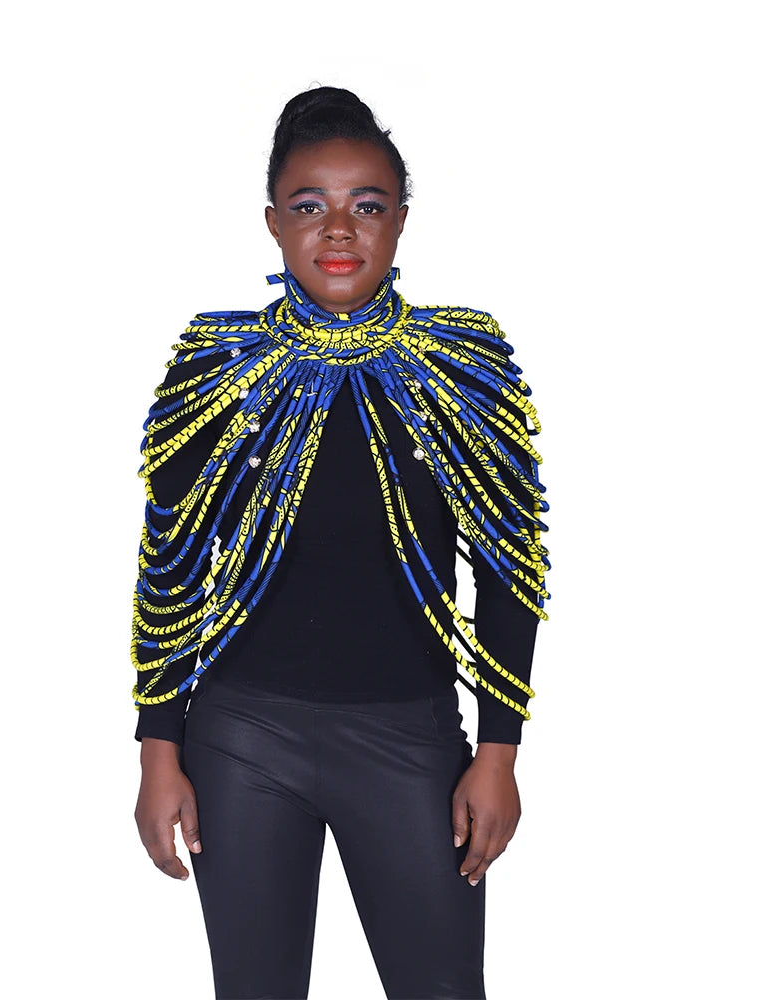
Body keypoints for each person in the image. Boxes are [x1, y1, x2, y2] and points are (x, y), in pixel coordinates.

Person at [131, 86, 550, 1000]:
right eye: (309, 205)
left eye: (366, 205)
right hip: (241, 737)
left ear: (399, 220)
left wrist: (499, 751)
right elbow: (170, 563)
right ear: (274, 223)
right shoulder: (215, 366)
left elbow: (509, 569)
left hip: (410, 738)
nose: (338, 230)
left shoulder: (464, 365)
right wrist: (158, 747)